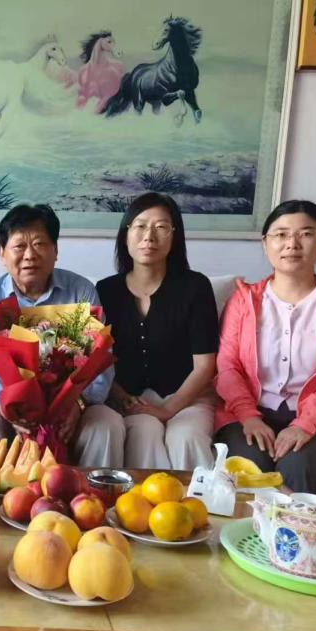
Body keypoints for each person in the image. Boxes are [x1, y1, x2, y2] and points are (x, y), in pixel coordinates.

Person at [215, 200, 316, 497]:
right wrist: (248, 415)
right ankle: (245, 530)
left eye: (306, 234)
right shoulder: (244, 300)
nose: (292, 244)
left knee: (298, 465)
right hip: (250, 413)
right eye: (281, 234)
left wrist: (305, 425)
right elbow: (228, 365)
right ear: (265, 243)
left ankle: (305, 528)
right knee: (249, 464)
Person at [0, 204, 123, 466]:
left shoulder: (81, 292)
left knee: (107, 423)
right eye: (19, 246)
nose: (30, 255)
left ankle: (93, 490)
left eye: (39, 244)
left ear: (55, 251)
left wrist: (78, 403)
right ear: (2, 253)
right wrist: (7, 403)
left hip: (72, 401)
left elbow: (100, 361)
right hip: (8, 401)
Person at [97, 193, 219, 471]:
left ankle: (200, 499)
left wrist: (168, 409)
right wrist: (119, 395)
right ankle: (143, 499)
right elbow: (96, 359)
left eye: (161, 227)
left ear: (175, 236)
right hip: (132, 399)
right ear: (126, 234)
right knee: (143, 431)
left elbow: (205, 365)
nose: (149, 237)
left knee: (185, 436)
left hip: (187, 397)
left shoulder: (195, 287)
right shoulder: (105, 290)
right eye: (140, 226)